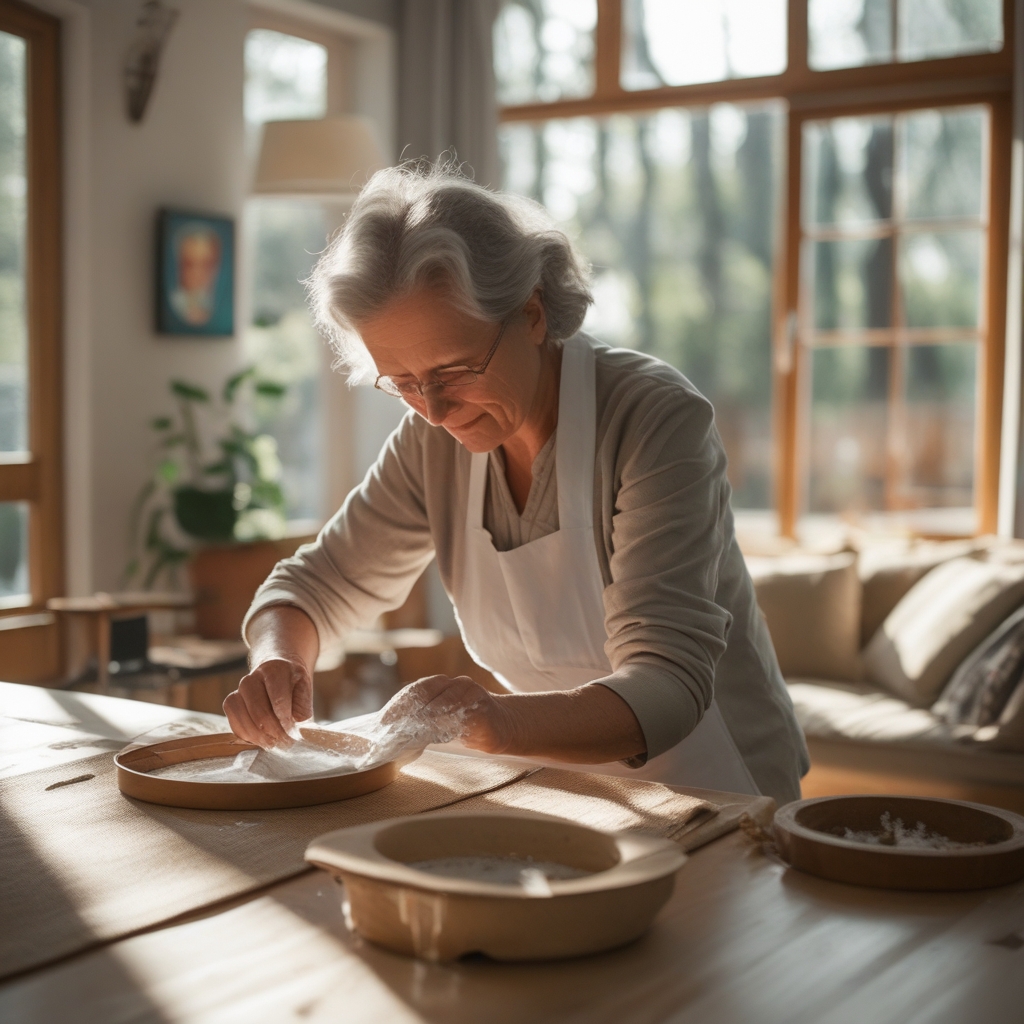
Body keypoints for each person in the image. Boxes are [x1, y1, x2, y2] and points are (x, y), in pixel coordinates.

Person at [224, 160, 809, 805]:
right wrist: (276, 660)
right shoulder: (430, 443)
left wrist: (489, 720)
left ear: (530, 313)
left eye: (453, 370)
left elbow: (669, 686)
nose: (437, 410)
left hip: (721, 789)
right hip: (577, 788)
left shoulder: (652, 419)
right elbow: (313, 586)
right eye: (403, 383)